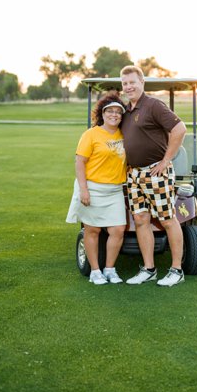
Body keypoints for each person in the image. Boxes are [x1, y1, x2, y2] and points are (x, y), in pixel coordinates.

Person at [119, 64, 187, 287]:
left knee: (167, 219)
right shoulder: (127, 111)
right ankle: (149, 269)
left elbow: (179, 129)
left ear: (142, 83)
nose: (128, 87)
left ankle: (176, 270)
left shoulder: (153, 105)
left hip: (156, 172)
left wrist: (166, 160)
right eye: (125, 83)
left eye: (132, 82)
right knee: (140, 220)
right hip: (134, 175)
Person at [67, 93, 129, 285]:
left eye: (118, 112)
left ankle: (109, 269)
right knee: (92, 230)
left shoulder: (124, 134)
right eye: (110, 111)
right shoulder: (91, 134)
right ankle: (95, 271)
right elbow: (80, 162)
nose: (114, 115)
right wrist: (83, 190)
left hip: (114, 190)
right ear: (102, 113)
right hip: (92, 188)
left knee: (118, 229)